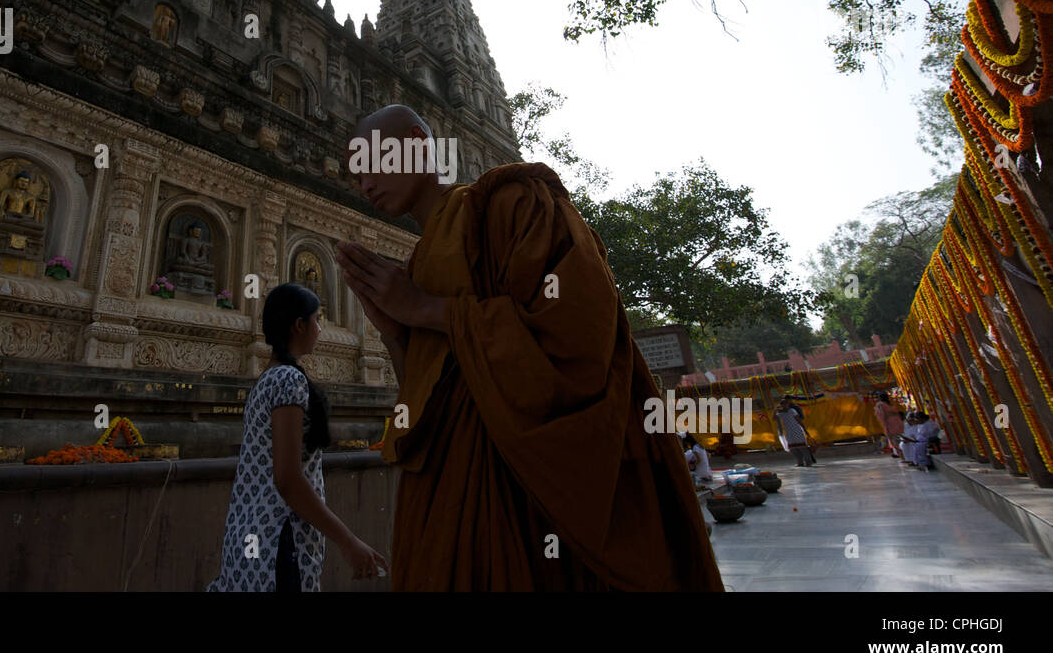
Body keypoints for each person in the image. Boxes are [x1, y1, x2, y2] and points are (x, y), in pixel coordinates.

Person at [334, 105, 723, 591]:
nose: (363, 184)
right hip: (449, 493)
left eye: (369, 162)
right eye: (354, 176)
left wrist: (430, 310)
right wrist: (396, 329)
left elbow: (579, 334)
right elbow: (425, 398)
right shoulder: (417, 266)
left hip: (528, 492)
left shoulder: (513, 204)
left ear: (417, 140)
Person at [208, 283, 388, 591]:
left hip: (248, 537)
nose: (320, 329)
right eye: (317, 319)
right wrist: (348, 541)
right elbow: (288, 479)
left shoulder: (267, 379)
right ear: (299, 325)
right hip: (279, 542)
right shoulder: (289, 380)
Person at [775, 396, 814, 467]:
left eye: (786, 404)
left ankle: (808, 461)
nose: (785, 406)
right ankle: (800, 462)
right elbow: (774, 418)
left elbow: (799, 420)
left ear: (788, 404)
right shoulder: (780, 413)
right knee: (793, 449)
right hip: (789, 432)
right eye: (783, 404)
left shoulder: (792, 410)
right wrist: (775, 410)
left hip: (797, 430)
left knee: (803, 447)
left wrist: (804, 429)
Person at [873, 391, 905, 458]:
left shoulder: (880, 405)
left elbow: (882, 415)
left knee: (894, 441)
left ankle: (902, 456)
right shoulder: (891, 404)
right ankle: (904, 455)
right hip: (898, 422)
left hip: (890, 424)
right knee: (900, 440)